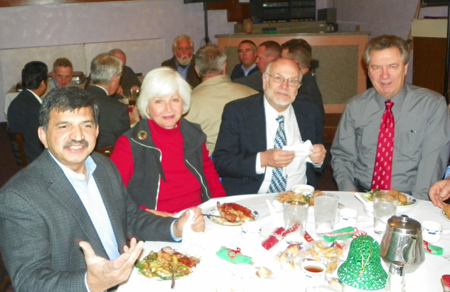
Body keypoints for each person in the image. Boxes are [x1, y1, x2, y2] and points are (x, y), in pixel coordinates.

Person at [0, 86, 204, 291]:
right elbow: (29, 281)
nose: (78, 136)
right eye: (64, 126)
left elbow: (131, 218)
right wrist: (91, 283)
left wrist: (175, 227)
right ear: (43, 135)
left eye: (86, 125)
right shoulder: (19, 197)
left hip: (127, 279)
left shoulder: (103, 166)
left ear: (97, 130)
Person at [331, 35, 450, 200]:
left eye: (392, 66)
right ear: (368, 70)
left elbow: (432, 163)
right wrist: (350, 193)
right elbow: (342, 155)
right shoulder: (355, 106)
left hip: (409, 197)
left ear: (405, 68)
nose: (384, 75)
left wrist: (416, 206)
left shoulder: (431, 105)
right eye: (376, 67)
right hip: (362, 194)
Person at [110, 67, 225, 213]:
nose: (168, 108)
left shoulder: (193, 134)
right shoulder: (130, 143)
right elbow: (114, 193)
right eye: (159, 101)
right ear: (147, 105)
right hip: (157, 222)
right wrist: (146, 215)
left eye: (174, 100)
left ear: (183, 103)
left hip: (200, 215)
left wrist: (221, 206)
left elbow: (209, 174)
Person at [214, 58, 327, 196]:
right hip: (252, 198)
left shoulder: (309, 113)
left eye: (292, 81)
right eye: (278, 78)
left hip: (300, 199)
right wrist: (261, 160)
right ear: (265, 81)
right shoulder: (238, 111)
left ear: (298, 87)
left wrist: (319, 158)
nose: (285, 86)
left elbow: (322, 160)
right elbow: (221, 161)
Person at [185, 44, 258, 155]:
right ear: (224, 67)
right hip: (247, 163)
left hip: (207, 167)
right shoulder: (253, 95)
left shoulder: (186, 104)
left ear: (197, 70)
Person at [85, 52, 130, 148]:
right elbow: (128, 146)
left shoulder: (75, 100)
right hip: (108, 160)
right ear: (114, 78)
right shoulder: (118, 109)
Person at [7, 61, 47, 163]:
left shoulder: (15, 103)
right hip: (37, 159)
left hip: (25, 157)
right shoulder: (36, 108)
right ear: (43, 83)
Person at [281, 38, 325, 118]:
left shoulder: (304, 96)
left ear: (295, 63)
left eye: (283, 60)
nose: (280, 64)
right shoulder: (306, 82)